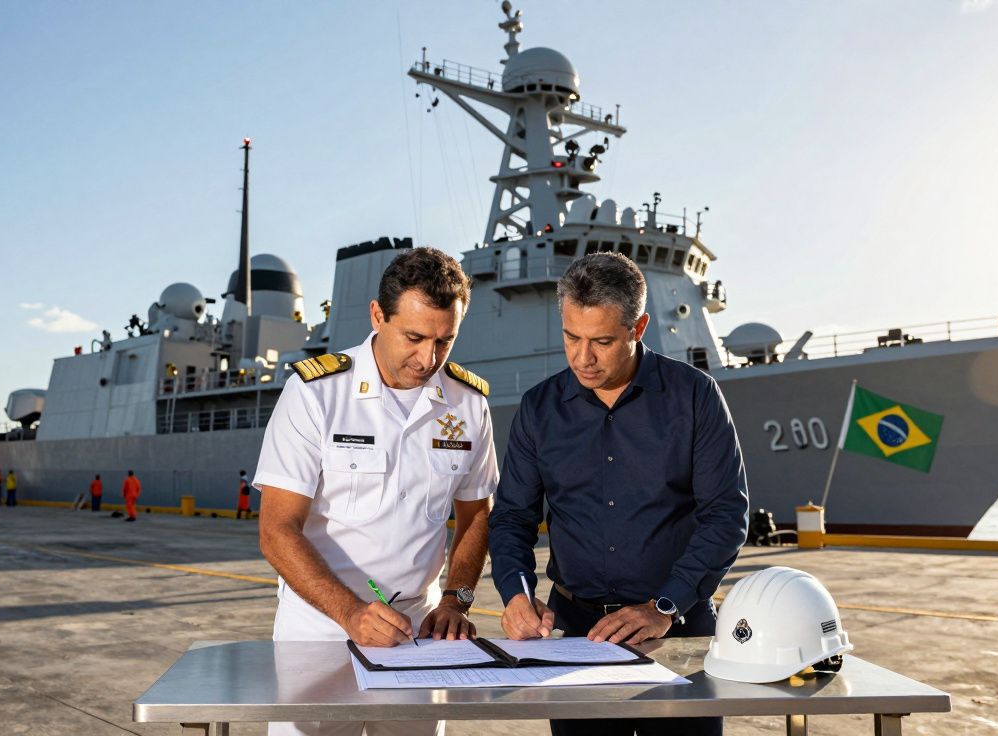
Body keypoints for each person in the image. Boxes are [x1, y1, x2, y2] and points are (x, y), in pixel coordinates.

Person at [488, 252, 749, 736]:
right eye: (571, 337)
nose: (582, 358)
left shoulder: (695, 396)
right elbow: (511, 519)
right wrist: (517, 596)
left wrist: (664, 606)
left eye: (602, 341)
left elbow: (725, 515)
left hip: (678, 630)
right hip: (575, 635)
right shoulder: (538, 409)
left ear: (639, 327)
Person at [255, 247, 499, 736]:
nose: (428, 358)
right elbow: (276, 530)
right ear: (377, 316)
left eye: (444, 341)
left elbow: (476, 516)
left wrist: (456, 601)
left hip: (418, 633)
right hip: (321, 632)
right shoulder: (317, 393)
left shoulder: (469, 404)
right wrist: (349, 613)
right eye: (414, 337)